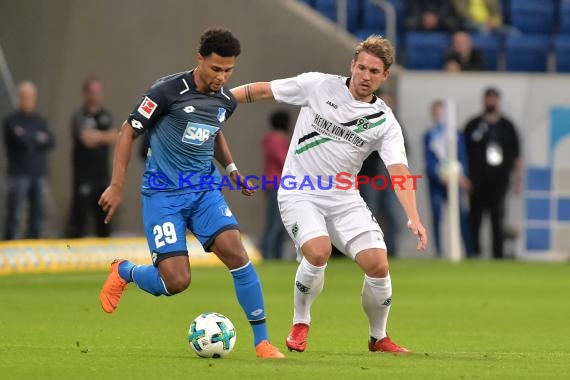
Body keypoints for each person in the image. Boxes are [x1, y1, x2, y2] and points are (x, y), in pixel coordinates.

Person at [231, 35, 428, 353]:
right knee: (319, 251)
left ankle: (378, 337)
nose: (365, 76)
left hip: (344, 198)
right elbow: (265, 90)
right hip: (299, 192)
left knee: (378, 263)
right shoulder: (318, 86)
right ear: (352, 64)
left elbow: (398, 170)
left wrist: (413, 216)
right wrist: (223, 98)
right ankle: (300, 323)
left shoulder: (384, 121)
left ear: (385, 76)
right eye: (361, 67)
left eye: (374, 71)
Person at [97, 28, 284, 358]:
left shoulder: (225, 99)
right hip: (163, 196)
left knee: (237, 253)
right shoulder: (166, 92)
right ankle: (125, 271)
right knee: (177, 282)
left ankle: (262, 341)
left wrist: (232, 170)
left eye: (228, 70)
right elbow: (127, 132)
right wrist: (116, 185)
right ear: (200, 59)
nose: (221, 77)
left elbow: (214, 131)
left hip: (204, 192)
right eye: (215, 69)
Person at [463, 87, 522, 259]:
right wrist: (464, 178)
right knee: (475, 220)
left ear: (498, 101)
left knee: (497, 221)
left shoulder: (507, 126)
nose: (491, 102)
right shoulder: (473, 125)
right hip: (476, 182)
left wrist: (518, 179)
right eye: (488, 98)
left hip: (499, 182)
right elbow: (462, 153)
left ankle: (498, 255)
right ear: (483, 100)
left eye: (494, 99)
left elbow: (517, 155)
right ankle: (475, 254)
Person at [3, 81, 55, 240]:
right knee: (15, 212)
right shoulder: (11, 121)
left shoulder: (40, 121)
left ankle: (34, 242)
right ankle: (10, 242)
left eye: (31, 97)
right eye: (24, 97)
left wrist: (29, 137)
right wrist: (37, 138)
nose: (28, 101)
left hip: (38, 173)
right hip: (19, 173)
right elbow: (21, 141)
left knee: (38, 212)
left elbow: (51, 141)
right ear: (19, 99)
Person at [67, 77, 118, 238]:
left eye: (98, 92)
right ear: (86, 94)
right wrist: (103, 136)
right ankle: (72, 251)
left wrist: (98, 136)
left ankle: (106, 255)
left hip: (102, 177)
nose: (95, 95)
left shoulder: (106, 115)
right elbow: (86, 139)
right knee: (79, 218)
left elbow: (116, 136)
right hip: (83, 177)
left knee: (103, 221)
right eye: (92, 92)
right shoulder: (79, 115)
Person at [423, 100, 473, 258]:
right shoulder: (429, 136)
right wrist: (439, 175)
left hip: (455, 182)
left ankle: (469, 252)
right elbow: (429, 160)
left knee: (461, 217)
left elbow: (462, 156)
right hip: (437, 183)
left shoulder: (456, 134)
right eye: (436, 113)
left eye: (441, 113)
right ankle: (438, 252)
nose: (439, 117)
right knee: (437, 217)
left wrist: (461, 176)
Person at [260, 109, 290, 260]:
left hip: (276, 183)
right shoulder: (276, 140)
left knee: (280, 224)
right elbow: (284, 160)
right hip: (276, 184)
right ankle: (267, 254)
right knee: (275, 223)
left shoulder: (274, 139)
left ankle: (276, 256)